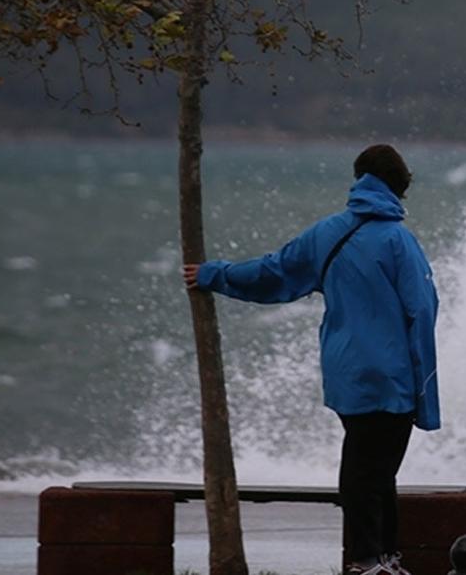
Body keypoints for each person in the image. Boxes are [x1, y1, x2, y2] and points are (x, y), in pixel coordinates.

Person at [183, 144, 440, 575]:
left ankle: (381, 557)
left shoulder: (327, 233)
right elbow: (423, 310)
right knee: (371, 471)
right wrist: (425, 392)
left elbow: (273, 273)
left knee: (369, 468)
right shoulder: (399, 241)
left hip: (346, 373)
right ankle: (370, 561)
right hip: (391, 377)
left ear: (359, 179)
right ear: (399, 187)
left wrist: (215, 274)